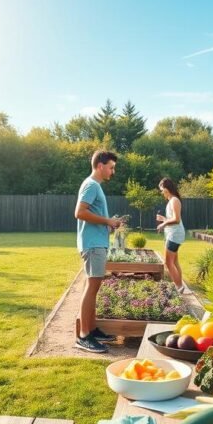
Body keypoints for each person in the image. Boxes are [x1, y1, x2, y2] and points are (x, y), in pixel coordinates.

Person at [74, 150, 123, 353]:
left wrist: (108, 224)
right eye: (111, 167)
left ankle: (91, 330)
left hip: (96, 242)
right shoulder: (91, 185)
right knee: (92, 288)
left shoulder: (95, 186)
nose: (113, 172)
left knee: (93, 288)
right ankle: (84, 336)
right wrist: (107, 221)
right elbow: (79, 212)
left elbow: (91, 213)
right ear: (100, 165)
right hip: (92, 245)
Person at [155, 178, 190, 294]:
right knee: (174, 262)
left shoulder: (174, 200)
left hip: (174, 235)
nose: (161, 193)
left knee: (168, 263)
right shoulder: (171, 201)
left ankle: (179, 288)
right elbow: (173, 219)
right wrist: (164, 219)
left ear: (166, 189)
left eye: (161, 190)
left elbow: (176, 219)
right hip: (173, 234)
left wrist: (163, 224)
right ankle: (180, 286)